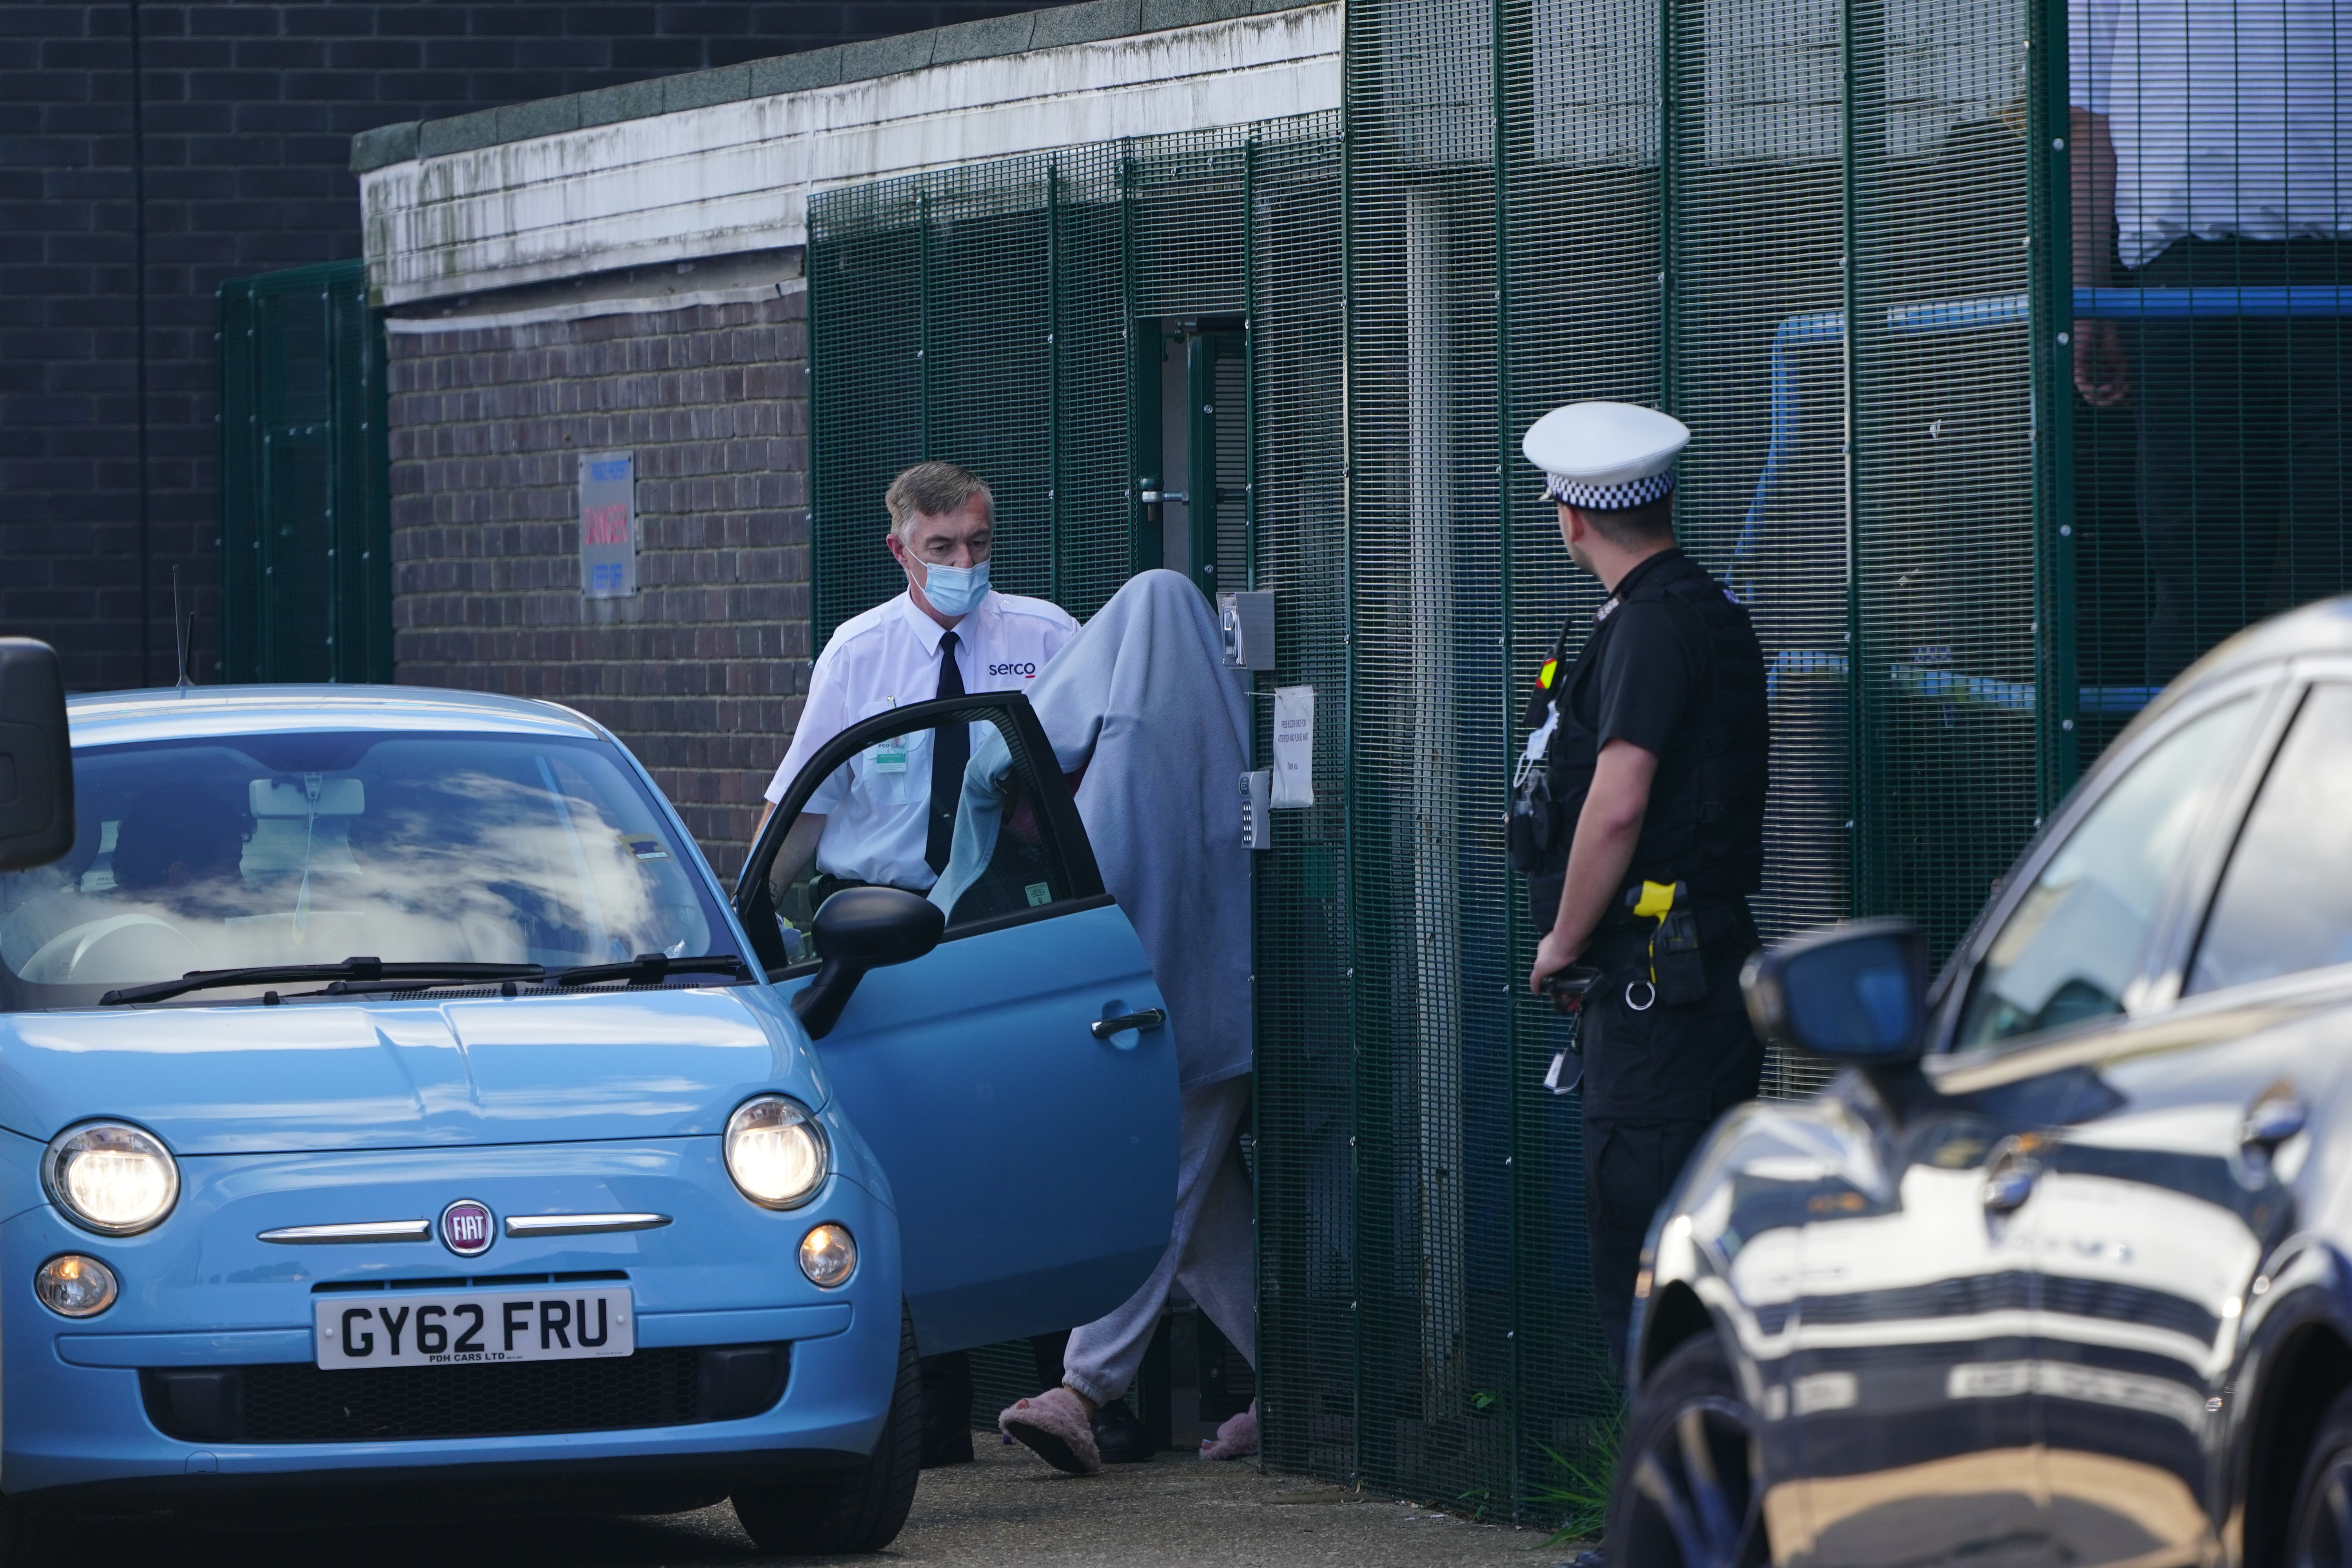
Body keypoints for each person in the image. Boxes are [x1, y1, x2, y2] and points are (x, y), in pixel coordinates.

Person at [757, 459, 1078, 1468]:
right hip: (881, 924)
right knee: (913, 1157)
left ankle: (1070, 1390)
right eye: (941, 548)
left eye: (978, 544)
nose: (963, 565)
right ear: (899, 548)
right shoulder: (859, 654)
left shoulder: (1047, 638)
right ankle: (935, 1409)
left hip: (1006, 918)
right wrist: (742, 908)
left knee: (1032, 1150)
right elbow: (803, 810)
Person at [1511, 403, 1770, 1387]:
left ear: (1571, 518)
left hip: (1659, 988)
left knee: (1646, 1257)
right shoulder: (1700, 607)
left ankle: (1663, 1514)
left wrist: (1561, 941)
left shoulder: (1651, 628)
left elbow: (1616, 805)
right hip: (1692, 978)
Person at [2070, 0, 2348, 682]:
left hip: (2221, 280)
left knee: (2215, 578)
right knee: (2273, 572)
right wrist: (2091, 296)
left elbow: (2088, 128)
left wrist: (2090, 295)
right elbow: (2088, 126)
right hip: (2223, 280)